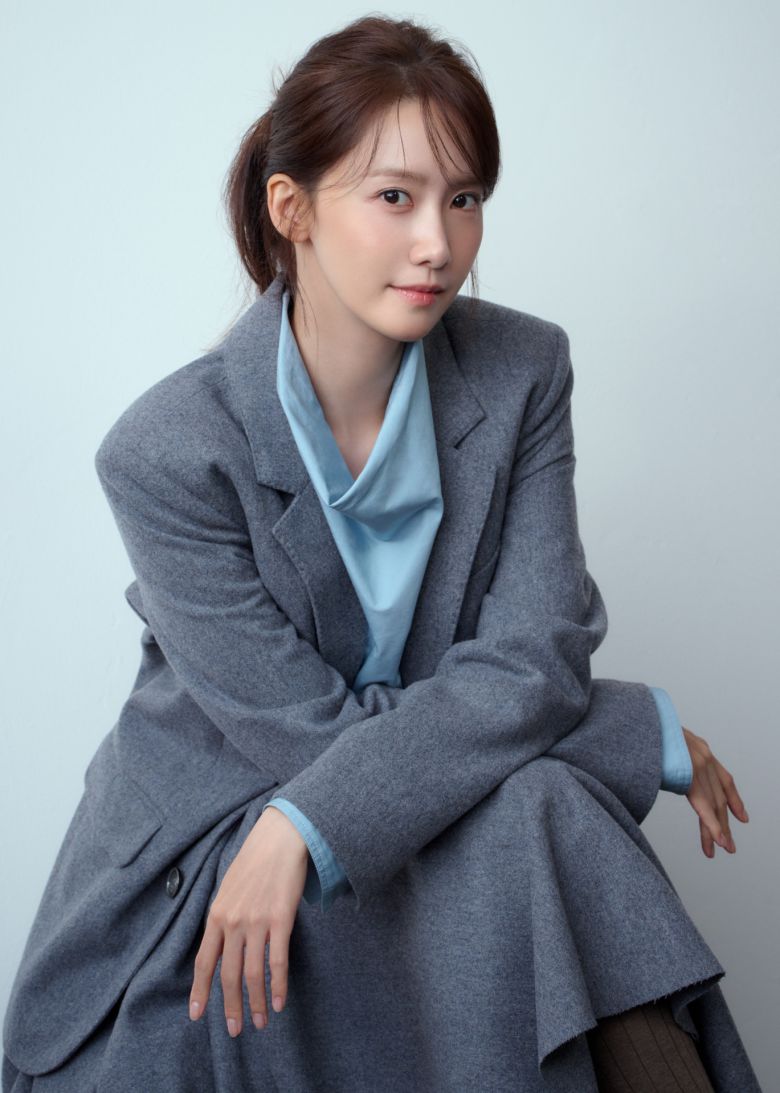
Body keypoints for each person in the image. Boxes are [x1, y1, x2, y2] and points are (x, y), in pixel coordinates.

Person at [2, 14, 762, 1093]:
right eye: (395, 196)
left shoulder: (523, 371)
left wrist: (322, 816)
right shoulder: (166, 451)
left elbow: (534, 657)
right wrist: (616, 729)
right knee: (545, 800)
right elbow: (305, 733)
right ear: (293, 209)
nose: (438, 244)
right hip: (224, 838)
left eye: (465, 199)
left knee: (542, 809)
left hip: (345, 814)